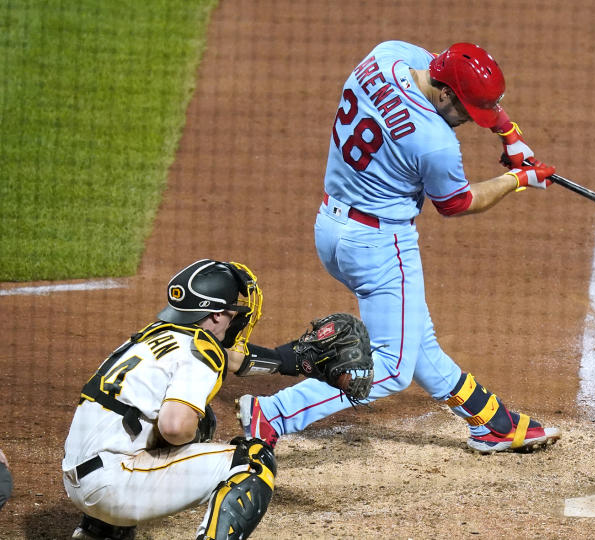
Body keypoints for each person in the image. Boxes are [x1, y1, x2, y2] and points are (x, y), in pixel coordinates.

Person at [237, 41, 561, 454]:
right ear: (445, 94)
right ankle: (275, 414)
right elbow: (457, 203)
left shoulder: (386, 56)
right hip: (380, 246)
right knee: (390, 368)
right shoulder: (436, 142)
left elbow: (442, 76)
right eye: (465, 111)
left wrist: (508, 133)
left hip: (332, 228)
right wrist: (519, 180)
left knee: (413, 339)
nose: (468, 121)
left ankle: (490, 422)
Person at [62, 259, 278, 540]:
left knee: (165, 424)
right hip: (112, 487)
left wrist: (290, 360)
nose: (234, 319)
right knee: (252, 461)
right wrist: (188, 435)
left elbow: (234, 361)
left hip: (76, 479)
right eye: (231, 312)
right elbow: (175, 428)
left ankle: (99, 534)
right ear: (215, 315)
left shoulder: (150, 339)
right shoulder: (201, 348)